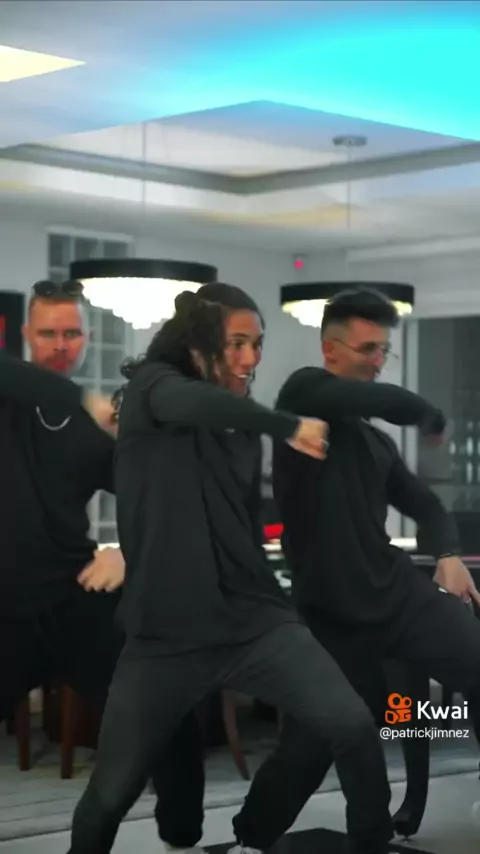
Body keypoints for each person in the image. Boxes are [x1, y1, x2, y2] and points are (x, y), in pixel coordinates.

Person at [67, 283, 395, 854]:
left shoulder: (243, 427)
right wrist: (286, 424)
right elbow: (191, 405)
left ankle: (338, 840)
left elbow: (237, 515)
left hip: (254, 619)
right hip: (166, 635)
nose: (250, 357)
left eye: (257, 344)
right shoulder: (152, 390)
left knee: (351, 723)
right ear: (198, 345)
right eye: (236, 343)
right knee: (111, 793)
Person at [231, 286, 480, 851]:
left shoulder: (374, 444)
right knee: (312, 743)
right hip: (331, 615)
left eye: (383, 350)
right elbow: (376, 399)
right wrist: (427, 413)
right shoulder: (299, 399)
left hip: (398, 595)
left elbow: (426, 506)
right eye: (368, 349)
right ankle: (251, 838)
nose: (377, 361)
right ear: (330, 349)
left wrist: (447, 555)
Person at [0, 279, 203, 854]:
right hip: (3, 603)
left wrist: (128, 551)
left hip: (75, 592)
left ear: (86, 338)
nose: (60, 344)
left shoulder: (99, 424)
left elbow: (159, 501)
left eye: (72, 333)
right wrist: (78, 398)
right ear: (26, 334)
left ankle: (182, 832)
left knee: (166, 700)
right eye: (48, 333)